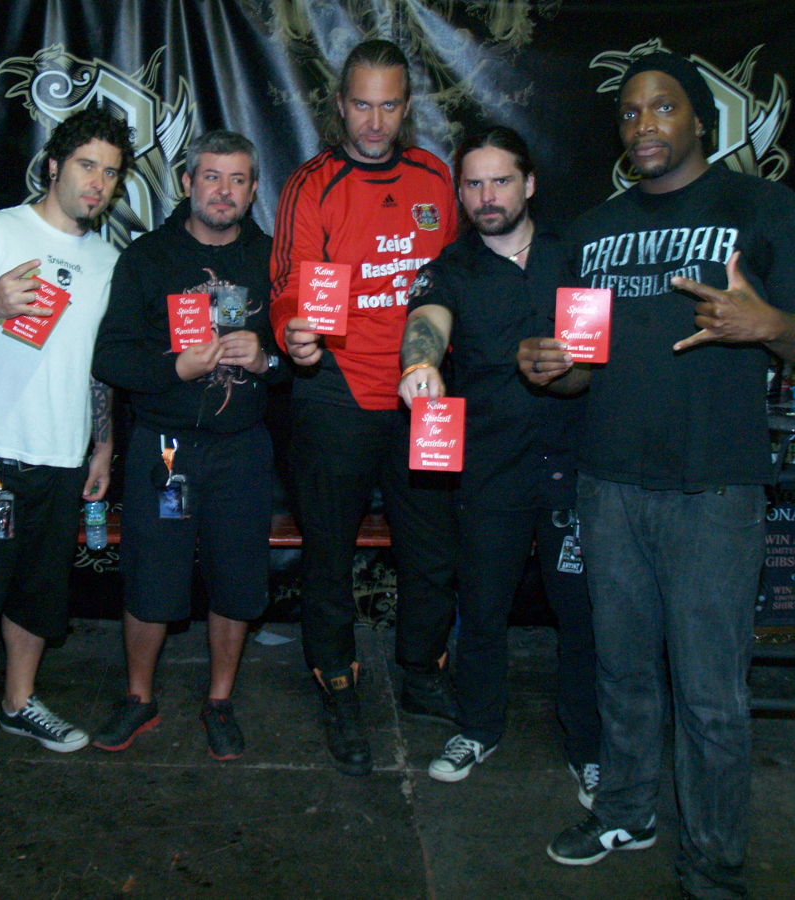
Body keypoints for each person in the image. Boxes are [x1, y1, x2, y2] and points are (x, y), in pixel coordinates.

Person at [519, 52, 795, 898]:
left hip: (714, 490)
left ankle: (714, 862)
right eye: (630, 112)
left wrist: (768, 324)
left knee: (710, 695)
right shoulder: (592, 231)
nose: (644, 125)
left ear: (700, 119)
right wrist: (550, 367)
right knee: (622, 672)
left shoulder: (763, 208)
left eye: (663, 108)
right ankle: (625, 809)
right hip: (610, 484)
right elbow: (582, 370)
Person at [0, 106, 132, 799]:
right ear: (52, 166)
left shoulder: (108, 261)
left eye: (110, 172)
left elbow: (99, 365)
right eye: (86, 165)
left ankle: (19, 702)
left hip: (62, 458)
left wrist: (103, 442)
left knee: (39, 594)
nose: (97, 181)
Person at [270, 39, 459, 776]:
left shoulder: (434, 177)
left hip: (421, 393)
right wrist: (294, 332)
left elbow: (449, 282)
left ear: (407, 107)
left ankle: (420, 670)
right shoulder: (311, 184)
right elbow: (289, 284)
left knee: (431, 548)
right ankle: (337, 683)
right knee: (328, 553)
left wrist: (436, 361)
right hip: (336, 391)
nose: (374, 122)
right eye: (361, 105)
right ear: (339, 105)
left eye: (388, 105)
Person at [397, 125, 601, 802]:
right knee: (482, 609)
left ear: (529, 183)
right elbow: (426, 323)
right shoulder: (450, 267)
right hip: (490, 466)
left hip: (575, 465)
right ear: (460, 192)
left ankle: (590, 746)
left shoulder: (575, 257)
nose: (488, 196)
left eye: (501, 181)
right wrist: (420, 366)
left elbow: (604, 353)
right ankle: (478, 728)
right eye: (474, 184)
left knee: (584, 616)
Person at [91, 129, 286, 760]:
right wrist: (175, 367)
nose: (223, 191)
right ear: (186, 182)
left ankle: (220, 700)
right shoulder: (148, 257)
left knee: (238, 579)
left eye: (237, 180)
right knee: (152, 576)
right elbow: (109, 356)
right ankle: (138, 697)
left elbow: (308, 354)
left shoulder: (274, 260)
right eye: (211, 177)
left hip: (242, 450)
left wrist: (268, 359)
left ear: (253, 190)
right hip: (166, 452)